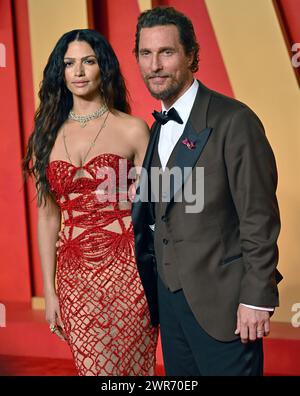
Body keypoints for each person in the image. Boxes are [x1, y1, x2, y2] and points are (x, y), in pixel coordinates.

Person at [132, 7, 282, 376]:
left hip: (225, 305)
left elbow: (258, 218)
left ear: (191, 55)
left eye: (166, 52)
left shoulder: (234, 121)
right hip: (171, 305)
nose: (155, 65)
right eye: (146, 54)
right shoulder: (154, 130)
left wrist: (256, 298)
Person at [23, 29, 158, 376]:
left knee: (132, 372)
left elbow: (155, 209)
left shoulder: (132, 130)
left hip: (131, 274)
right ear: (60, 72)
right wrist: (49, 292)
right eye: (69, 64)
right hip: (74, 279)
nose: (79, 71)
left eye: (88, 61)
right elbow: (48, 219)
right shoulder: (45, 136)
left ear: (104, 68)